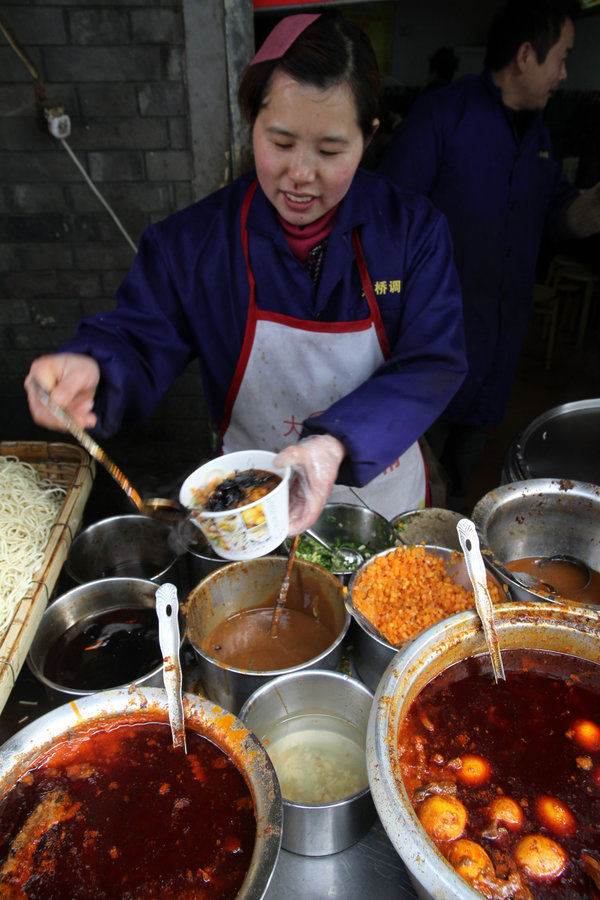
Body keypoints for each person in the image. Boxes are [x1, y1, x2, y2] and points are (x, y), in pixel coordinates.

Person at [24, 10, 467, 534]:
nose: (301, 174)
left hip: (384, 507)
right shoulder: (195, 244)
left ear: (368, 136)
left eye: (330, 150)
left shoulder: (411, 232)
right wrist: (92, 368)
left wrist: (332, 443)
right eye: (280, 143)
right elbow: (139, 337)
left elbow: (432, 362)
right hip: (250, 512)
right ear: (250, 120)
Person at [378, 0, 600, 512]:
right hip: (431, 349)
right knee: (409, 477)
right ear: (526, 55)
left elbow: (558, 215)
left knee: (460, 476)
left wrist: (593, 207)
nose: (565, 74)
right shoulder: (443, 116)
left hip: (497, 350)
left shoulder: (538, 135)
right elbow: (386, 218)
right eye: (561, 58)